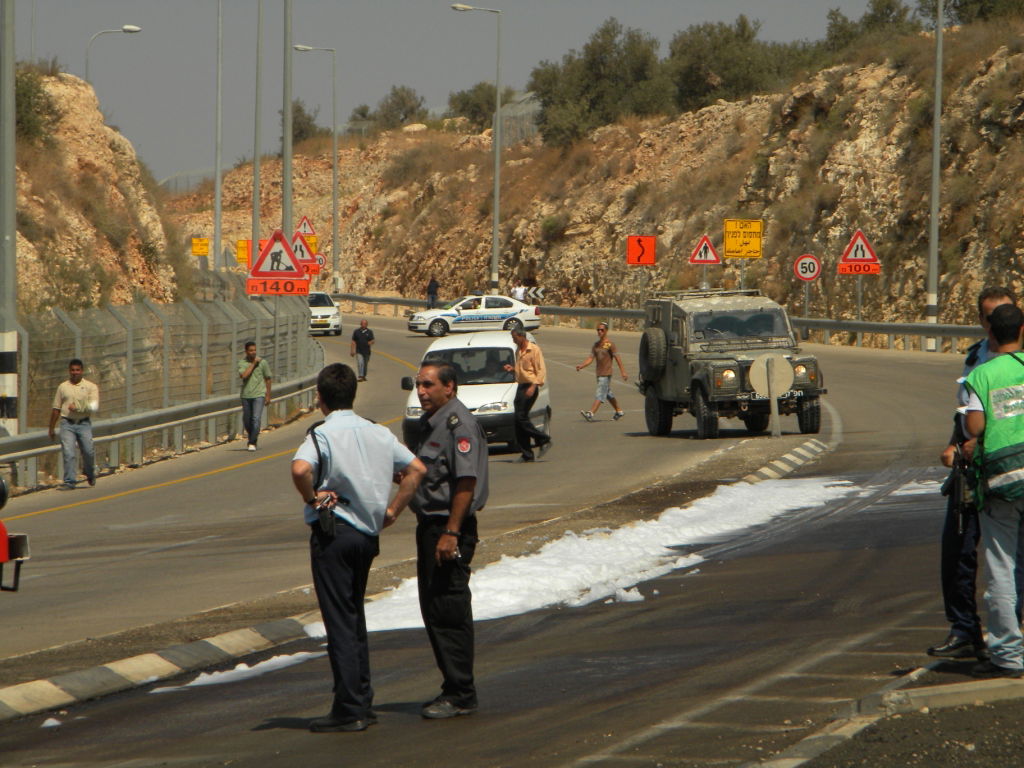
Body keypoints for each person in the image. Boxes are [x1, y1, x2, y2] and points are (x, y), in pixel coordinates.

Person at [291, 363, 426, 732]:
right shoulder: (376, 432)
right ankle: (362, 699)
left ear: (320, 398)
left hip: (335, 534)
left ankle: (349, 708)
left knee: (339, 621)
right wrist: (394, 510)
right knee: (354, 616)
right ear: (352, 394)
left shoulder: (321, 435)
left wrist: (314, 498)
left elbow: (301, 470)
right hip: (367, 534)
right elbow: (417, 469)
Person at [929, 286, 1016, 661]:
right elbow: (964, 414)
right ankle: (965, 629)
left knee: (1006, 561)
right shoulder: (976, 359)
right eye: (990, 315)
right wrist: (955, 444)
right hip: (973, 467)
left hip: (1003, 467)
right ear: (983, 322)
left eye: (1003, 314)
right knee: (959, 547)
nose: (996, 322)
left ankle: (1010, 643)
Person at [407, 362, 489, 719]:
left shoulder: (459, 424)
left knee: (449, 611)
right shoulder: (433, 421)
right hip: (432, 526)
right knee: (435, 610)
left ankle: (461, 693)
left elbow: (465, 484)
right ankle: (453, 687)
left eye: (428, 385)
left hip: (448, 528)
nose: (421, 391)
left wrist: (451, 533)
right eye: (418, 385)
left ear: (449, 387)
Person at [963, 303, 1024, 678]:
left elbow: (974, 426)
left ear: (990, 333)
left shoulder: (982, 374)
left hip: (1002, 479)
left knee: (1002, 566)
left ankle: (1008, 656)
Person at [48, 359, 99, 489]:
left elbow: (94, 406)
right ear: (69, 371)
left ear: (82, 371)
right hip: (67, 424)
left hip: (83, 423)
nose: (75, 373)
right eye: (72, 370)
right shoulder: (63, 387)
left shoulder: (90, 387)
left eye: (77, 370)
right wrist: (51, 428)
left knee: (88, 451)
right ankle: (70, 481)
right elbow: (56, 408)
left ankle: (89, 472)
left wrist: (78, 407)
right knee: (69, 452)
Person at [505, 329, 552, 462]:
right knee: (518, 420)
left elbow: (541, 370)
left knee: (521, 417)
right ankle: (527, 454)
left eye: (514, 337)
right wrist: (513, 369)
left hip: (531, 386)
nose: (513, 340)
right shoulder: (518, 350)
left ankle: (544, 439)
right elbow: (523, 369)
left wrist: (534, 386)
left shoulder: (534, 350)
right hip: (521, 386)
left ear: (521, 336)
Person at [575, 322, 628, 421]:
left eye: (602, 330)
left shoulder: (610, 344)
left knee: (600, 393)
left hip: (606, 373)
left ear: (606, 331)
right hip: (599, 373)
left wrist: (623, 371)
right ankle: (619, 411)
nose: (599, 332)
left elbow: (617, 358)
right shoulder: (596, 345)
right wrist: (581, 365)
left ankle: (591, 413)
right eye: (598, 330)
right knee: (607, 393)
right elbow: (590, 358)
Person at [238, 341, 272, 452]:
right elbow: (244, 375)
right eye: (251, 350)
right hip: (246, 395)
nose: (253, 352)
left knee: (256, 419)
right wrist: (253, 364)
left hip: (259, 394)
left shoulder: (263, 363)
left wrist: (268, 395)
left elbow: (268, 378)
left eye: (255, 350)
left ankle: (252, 442)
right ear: (246, 351)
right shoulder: (242, 363)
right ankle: (253, 436)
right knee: (247, 420)